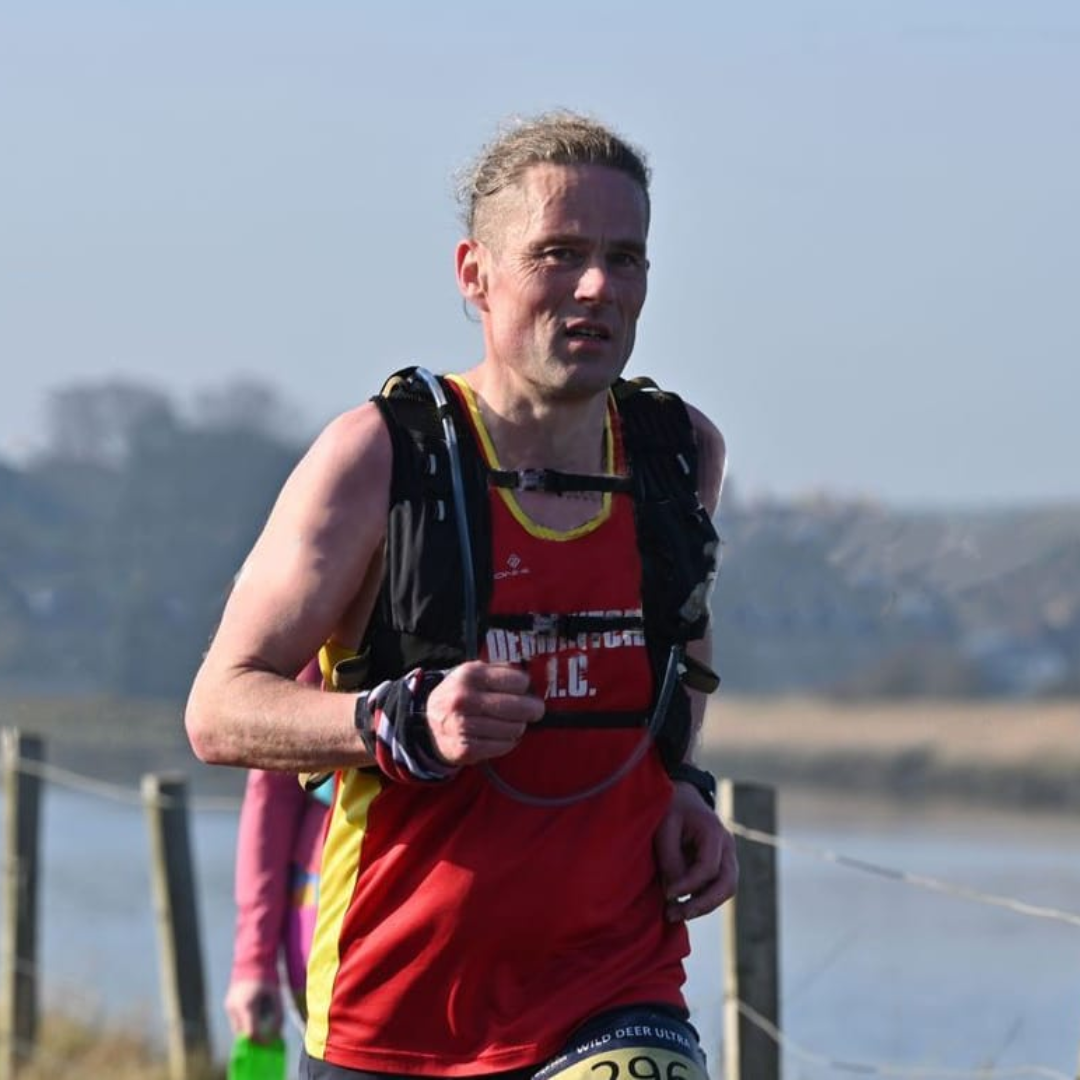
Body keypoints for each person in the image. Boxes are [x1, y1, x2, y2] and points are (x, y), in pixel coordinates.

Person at [186, 110, 738, 1080]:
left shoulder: (677, 453)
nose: (598, 286)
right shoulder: (378, 459)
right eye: (559, 254)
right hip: (395, 1010)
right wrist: (398, 718)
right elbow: (220, 710)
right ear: (474, 274)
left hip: (617, 986)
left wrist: (682, 789)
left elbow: (679, 655)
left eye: (626, 258)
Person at [225, 658, 330, 1043]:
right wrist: (254, 961)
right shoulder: (322, 609)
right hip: (328, 931)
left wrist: (254, 959)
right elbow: (273, 788)